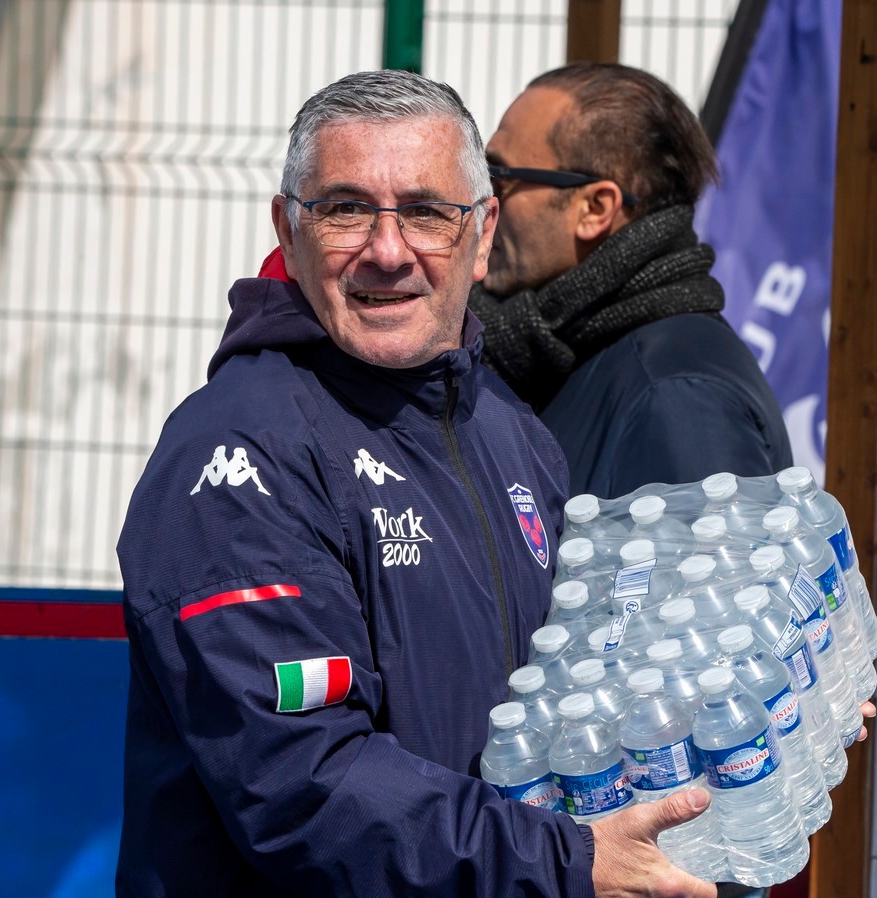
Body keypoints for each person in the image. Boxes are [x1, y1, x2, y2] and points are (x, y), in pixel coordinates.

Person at [115, 70, 715, 898]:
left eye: (427, 212)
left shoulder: (507, 428)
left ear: (480, 232)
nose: (388, 251)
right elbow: (301, 783)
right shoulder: (237, 453)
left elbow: (566, 694)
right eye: (345, 209)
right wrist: (561, 862)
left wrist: (741, 700)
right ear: (287, 231)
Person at [469, 63, 793, 499]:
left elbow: (705, 565)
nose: (483, 205)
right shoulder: (560, 347)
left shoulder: (676, 397)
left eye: (500, 177)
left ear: (595, 208)